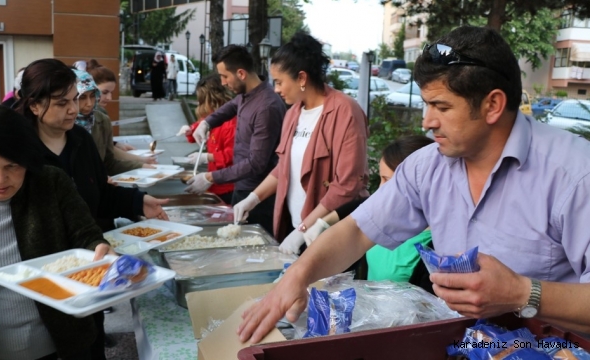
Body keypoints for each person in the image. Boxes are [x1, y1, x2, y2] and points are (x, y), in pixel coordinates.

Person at [237, 26, 590, 344]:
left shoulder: (574, 175)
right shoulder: (428, 166)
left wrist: (523, 294)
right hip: (468, 345)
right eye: (425, 103)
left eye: (441, 106)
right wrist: (296, 277)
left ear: (493, 104)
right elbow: (358, 231)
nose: (427, 122)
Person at [0, 106, 112, 360]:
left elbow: (86, 235)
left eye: (13, 165)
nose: (0, 179)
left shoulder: (52, 184)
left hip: (61, 347)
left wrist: (99, 248)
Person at [230, 32, 369, 249]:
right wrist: (253, 198)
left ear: (302, 78)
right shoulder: (293, 113)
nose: (275, 89)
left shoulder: (345, 111)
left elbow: (348, 185)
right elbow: (283, 168)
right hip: (295, 227)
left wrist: (303, 229)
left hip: (325, 235)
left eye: (279, 82)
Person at [15, 58, 169, 233]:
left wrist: (138, 202)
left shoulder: (81, 139)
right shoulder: (18, 148)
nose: (73, 109)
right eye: (62, 103)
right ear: (34, 105)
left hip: (92, 247)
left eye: (74, 99)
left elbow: (101, 195)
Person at [303, 135, 435, 291]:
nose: (381, 189)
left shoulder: (438, 247)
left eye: (388, 180)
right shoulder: (383, 216)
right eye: (380, 179)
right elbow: (359, 208)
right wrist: (322, 222)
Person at [188, 45, 287, 235]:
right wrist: (207, 123)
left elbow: (256, 163)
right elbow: (230, 107)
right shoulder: (245, 94)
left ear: (241, 73)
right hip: (242, 187)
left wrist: (211, 177)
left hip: (258, 195)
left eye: (225, 76)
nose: (223, 83)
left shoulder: (266, 107)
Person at [72, 69, 151, 175]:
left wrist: (141, 165)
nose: (89, 103)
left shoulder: (102, 120)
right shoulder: (62, 124)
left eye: (92, 96)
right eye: (82, 97)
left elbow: (109, 162)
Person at [86, 59, 156, 163]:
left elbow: (106, 150)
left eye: (111, 93)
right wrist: (141, 161)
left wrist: (114, 144)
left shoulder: (101, 115)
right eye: (104, 92)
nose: (109, 98)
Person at [182, 74, 237, 204]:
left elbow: (233, 156)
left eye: (201, 100)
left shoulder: (232, 123)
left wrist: (207, 157)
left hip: (228, 187)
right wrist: (189, 130)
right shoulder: (211, 117)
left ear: (212, 99)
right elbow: (197, 130)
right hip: (213, 183)